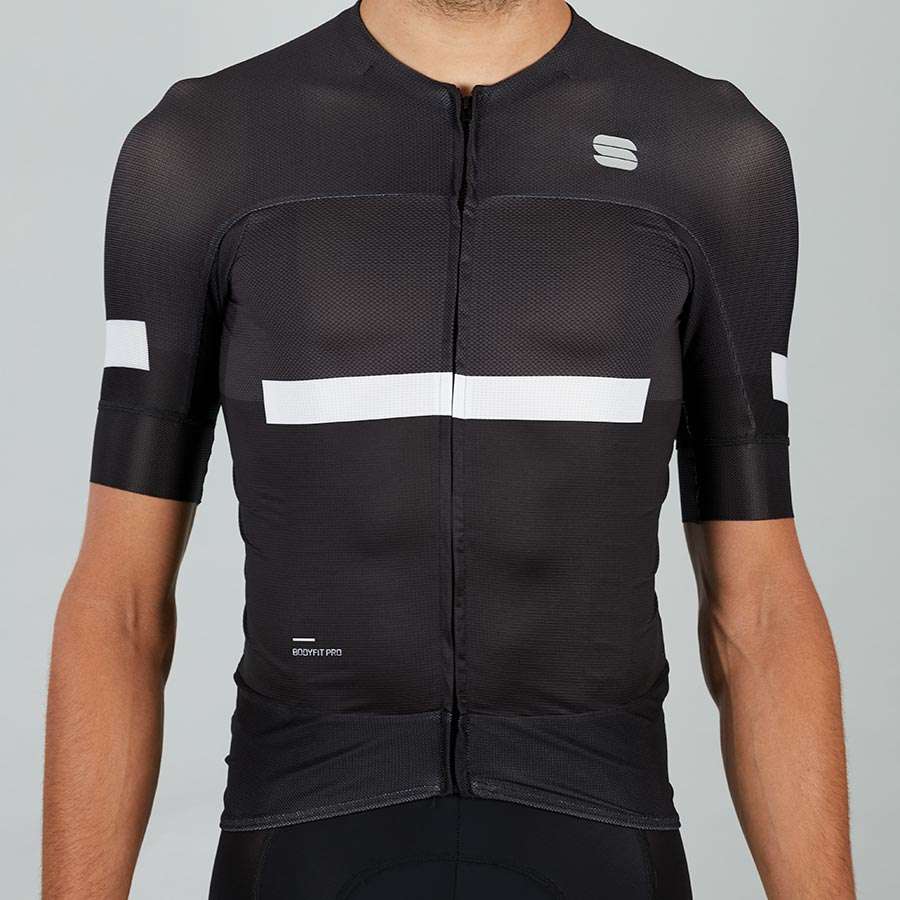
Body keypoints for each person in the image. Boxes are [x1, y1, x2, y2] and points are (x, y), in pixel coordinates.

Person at [42, 1, 855, 897]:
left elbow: (761, 609)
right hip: (305, 832)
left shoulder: (710, 153)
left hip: (599, 832)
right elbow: (118, 604)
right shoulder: (201, 150)